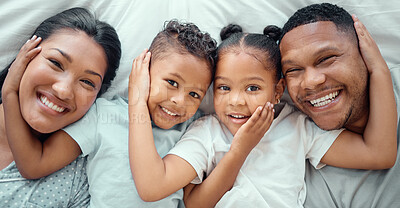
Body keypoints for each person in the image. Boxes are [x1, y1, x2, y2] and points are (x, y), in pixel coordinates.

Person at [130, 20, 396, 208]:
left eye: (253, 88)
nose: (236, 101)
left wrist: (379, 71)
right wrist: (239, 151)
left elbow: (379, 154)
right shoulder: (206, 131)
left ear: (278, 90)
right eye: (224, 87)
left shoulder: (295, 126)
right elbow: (161, 190)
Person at [5, 19, 217, 207]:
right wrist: (10, 93)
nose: (179, 101)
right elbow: (34, 165)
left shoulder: (193, 130)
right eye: (172, 82)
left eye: (195, 95)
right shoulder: (103, 115)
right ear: (143, 70)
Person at [278, 3, 400, 207]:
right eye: (293, 70)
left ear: (364, 53)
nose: (310, 81)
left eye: (326, 59)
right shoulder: (307, 173)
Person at [0, 7, 121, 207]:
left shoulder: (82, 180)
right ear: (25, 55)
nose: (64, 90)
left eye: (87, 83)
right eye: (56, 63)